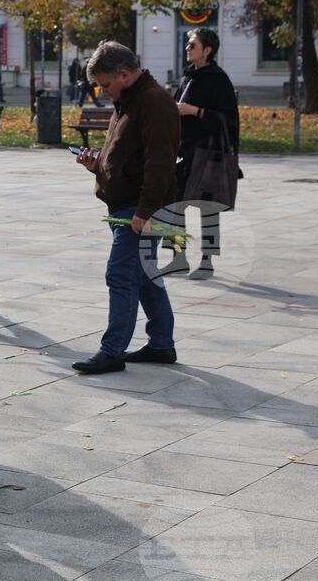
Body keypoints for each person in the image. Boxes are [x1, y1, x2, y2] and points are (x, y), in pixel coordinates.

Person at [72, 41, 180, 375]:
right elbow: (127, 153)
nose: (104, 92)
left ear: (124, 73)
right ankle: (161, 343)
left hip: (141, 207)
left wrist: (145, 211)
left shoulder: (154, 101)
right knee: (143, 276)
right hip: (126, 203)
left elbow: (160, 163)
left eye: (106, 85)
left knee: (120, 273)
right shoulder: (129, 99)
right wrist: (98, 166)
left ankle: (112, 351)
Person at [170, 27, 240, 280]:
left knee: (207, 209)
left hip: (209, 153)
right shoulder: (188, 77)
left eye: (193, 45)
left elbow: (230, 121)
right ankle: (178, 258)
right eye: (188, 44)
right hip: (185, 150)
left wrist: (195, 111)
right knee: (173, 203)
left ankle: (207, 262)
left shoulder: (218, 79)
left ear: (207, 50)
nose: (187, 48)